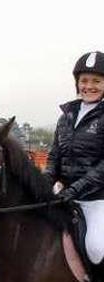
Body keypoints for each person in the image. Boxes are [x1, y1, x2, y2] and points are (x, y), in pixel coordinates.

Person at [48, 51, 104, 264]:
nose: (89, 86)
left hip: (97, 199)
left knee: (96, 248)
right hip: (64, 196)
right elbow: (54, 156)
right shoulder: (66, 116)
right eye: (84, 80)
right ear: (77, 83)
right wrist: (44, 184)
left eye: (97, 81)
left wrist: (75, 190)